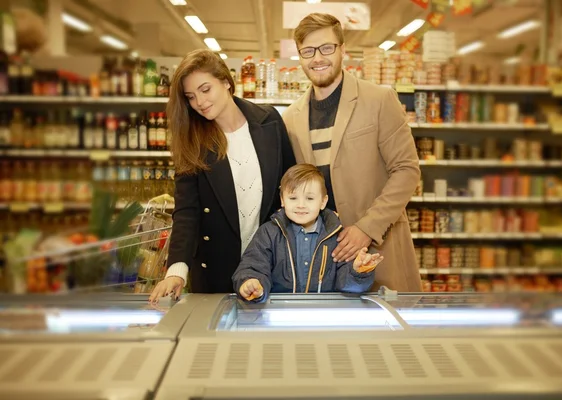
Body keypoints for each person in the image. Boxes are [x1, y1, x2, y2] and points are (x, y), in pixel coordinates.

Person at [282, 13, 421, 292]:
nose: (317, 58)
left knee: (387, 333)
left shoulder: (379, 100)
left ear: (343, 50)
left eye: (326, 48)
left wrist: (366, 228)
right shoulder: (291, 117)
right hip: (323, 262)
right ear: (299, 57)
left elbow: (406, 171)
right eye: (307, 51)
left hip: (380, 252)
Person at [149, 50, 295, 302]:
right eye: (191, 97)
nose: (200, 102)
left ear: (226, 81)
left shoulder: (269, 121)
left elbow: (290, 184)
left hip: (270, 264)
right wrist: (176, 271)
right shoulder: (191, 139)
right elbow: (186, 211)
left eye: (205, 89)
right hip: (215, 272)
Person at [232, 164, 383, 301]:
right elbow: (253, 265)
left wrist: (358, 272)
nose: (301, 205)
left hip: (324, 317)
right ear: (282, 200)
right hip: (279, 315)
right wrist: (251, 282)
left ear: (323, 202)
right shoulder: (268, 233)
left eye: (310, 198)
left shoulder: (338, 236)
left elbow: (349, 287)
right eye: (293, 198)